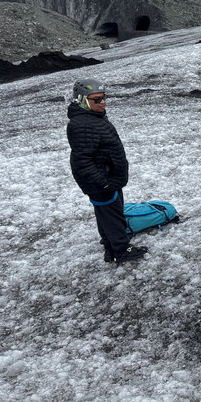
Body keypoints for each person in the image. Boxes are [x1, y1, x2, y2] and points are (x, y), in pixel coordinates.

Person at [65, 78, 148, 264]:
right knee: (112, 214)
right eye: (96, 99)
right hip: (101, 179)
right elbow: (82, 160)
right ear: (83, 100)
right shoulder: (83, 124)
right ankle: (123, 250)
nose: (102, 102)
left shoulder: (92, 117)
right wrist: (103, 182)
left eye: (103, 98)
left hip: (106, 176)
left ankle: (110, 247)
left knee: (106, 213)